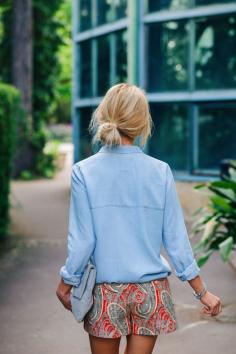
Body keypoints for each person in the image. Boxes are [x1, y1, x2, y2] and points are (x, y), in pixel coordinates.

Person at [56, 83, 222, 354]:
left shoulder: (83, 172)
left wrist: (67, 282)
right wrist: (202, 292)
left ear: (104, 114)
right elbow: (176, 241)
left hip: (105, 293)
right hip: (151, 292)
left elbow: (83, 241)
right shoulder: (160, 171)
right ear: (142, 121)